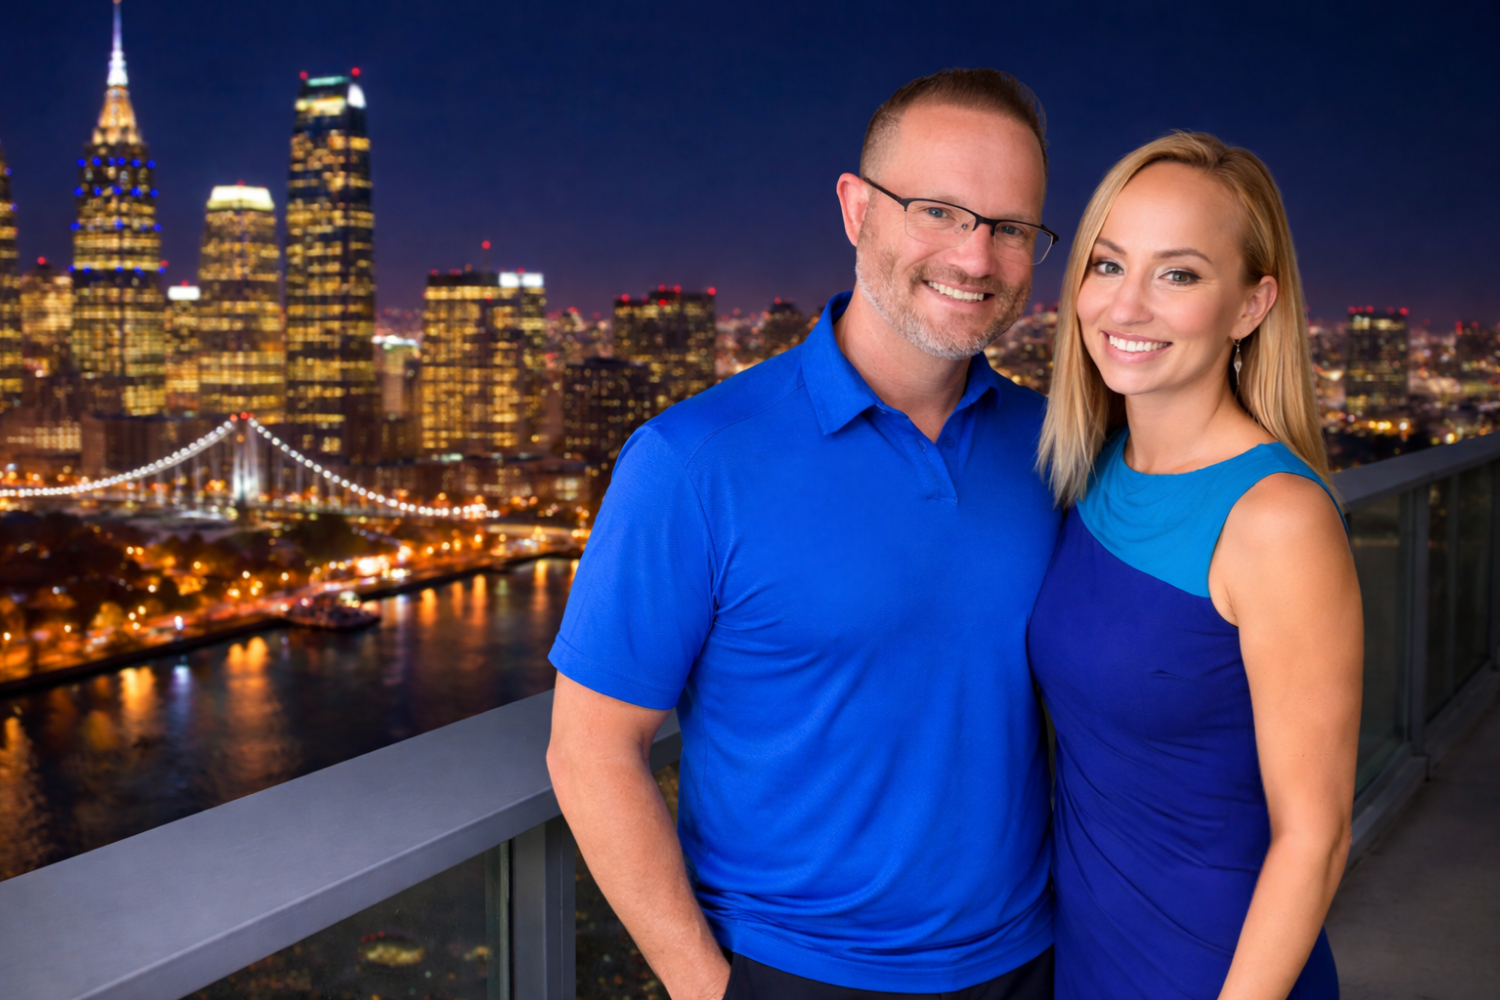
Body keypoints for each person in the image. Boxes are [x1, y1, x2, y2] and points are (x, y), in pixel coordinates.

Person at [547, 69, 1062, 1000]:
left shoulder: (1055, 446)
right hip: (792, 974)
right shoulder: (693, 461)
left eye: (1011, 227)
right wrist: (709, 988)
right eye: (938, 211)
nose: (977, 257)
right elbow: (588, 752)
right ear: (856, 209)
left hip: (1034, 962)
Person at [1027, 132, 1363, 1000]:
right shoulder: (1091, 467)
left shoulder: (1277, 522)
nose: (1126, 306)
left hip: (1217, 970)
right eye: (1107, 265)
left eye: (1177, 275)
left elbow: (1314, 838)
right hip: (1085, 958)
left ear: (1251, 306)